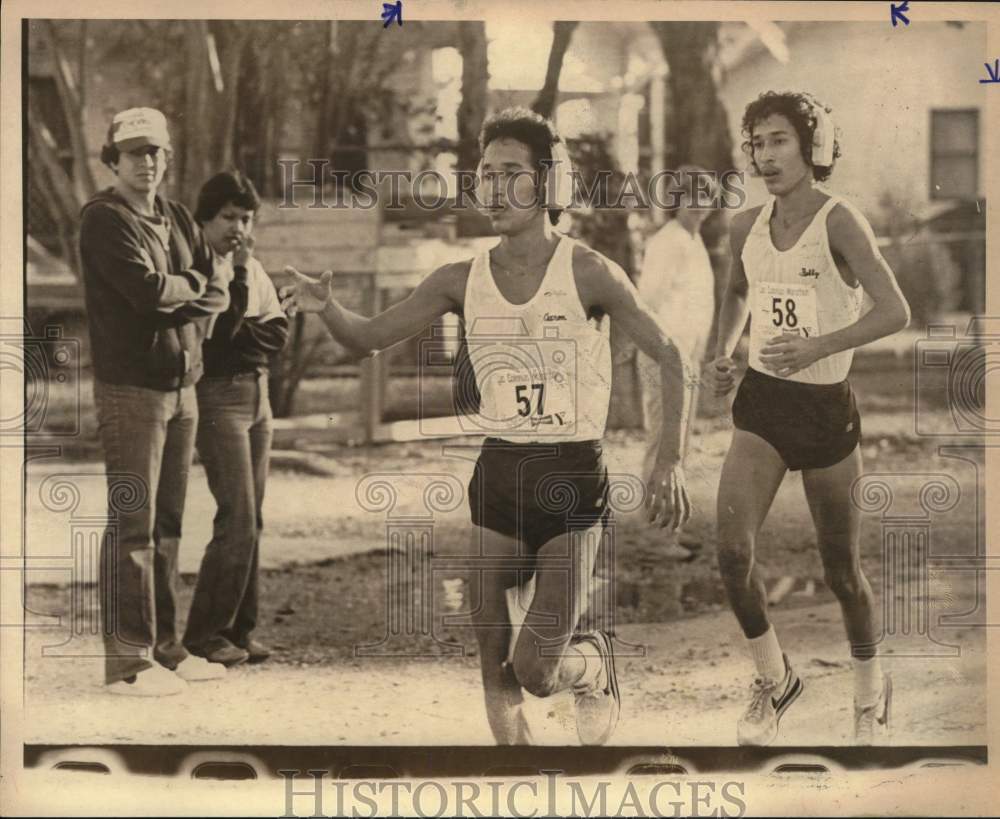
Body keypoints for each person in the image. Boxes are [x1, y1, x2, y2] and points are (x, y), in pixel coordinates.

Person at [280, 107, 693, 745]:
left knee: (533, 671)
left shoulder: (588, 272)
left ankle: (591, 666)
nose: (493, 188)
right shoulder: (458, 278)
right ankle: (516, 773)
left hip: (571, 479)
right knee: (490, 659)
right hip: (498, 472)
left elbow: (670, 355)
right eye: (485, 174)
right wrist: (326, 305)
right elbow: (367, 338)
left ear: (548, 182)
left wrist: (668, 458)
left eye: (511, 173)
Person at [709, 91, 910, 745]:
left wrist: (820, 345)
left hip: (825, 407)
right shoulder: (745, 226)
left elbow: (895, 311)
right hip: (764, 403)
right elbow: (739, 291)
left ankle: (868, 689)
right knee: (733, 551)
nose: (764, 156)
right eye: (756, 143)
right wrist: (725, 349)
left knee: (841, 572)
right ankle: (775, 678)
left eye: (777, 141)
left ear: (812, 146)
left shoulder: (840, 220)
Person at [79, 107, 231, 695]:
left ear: (167, 158)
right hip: (130, 390)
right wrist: (194, 287)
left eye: (156, 152)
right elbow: (146, 294)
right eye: (134, 152)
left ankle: (166, 649)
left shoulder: (174, 215)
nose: (146, 162)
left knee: (168, 525)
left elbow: (216, 284)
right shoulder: (104, 218)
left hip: (182, 386)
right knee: (132, 525)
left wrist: (189, 290)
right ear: (112, 159)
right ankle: (127, 664)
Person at [183, 171, 290, 667]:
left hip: (257, 395)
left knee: (255, 519)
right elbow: (222, 334)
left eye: (246, 218)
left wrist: (244, 332)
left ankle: (239, 630)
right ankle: (203, 635)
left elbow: (277, 332)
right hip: (218, 399)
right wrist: (242, 277)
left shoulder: (253, 268)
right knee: (238, 517)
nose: (238, 227)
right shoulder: (199, 267)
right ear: (205, 218)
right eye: (228, 217)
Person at [636, 165, 718, 560]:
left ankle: (671, 526)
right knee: (663, 440)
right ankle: (655, 534)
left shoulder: (693, 241)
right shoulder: (667, 242)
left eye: (707, 196)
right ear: (678, 199)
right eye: (693, 196)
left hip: (688, 357)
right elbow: (647, 301)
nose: (701, 205)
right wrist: (658, 352)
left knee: (679, 443)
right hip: (663, 355)